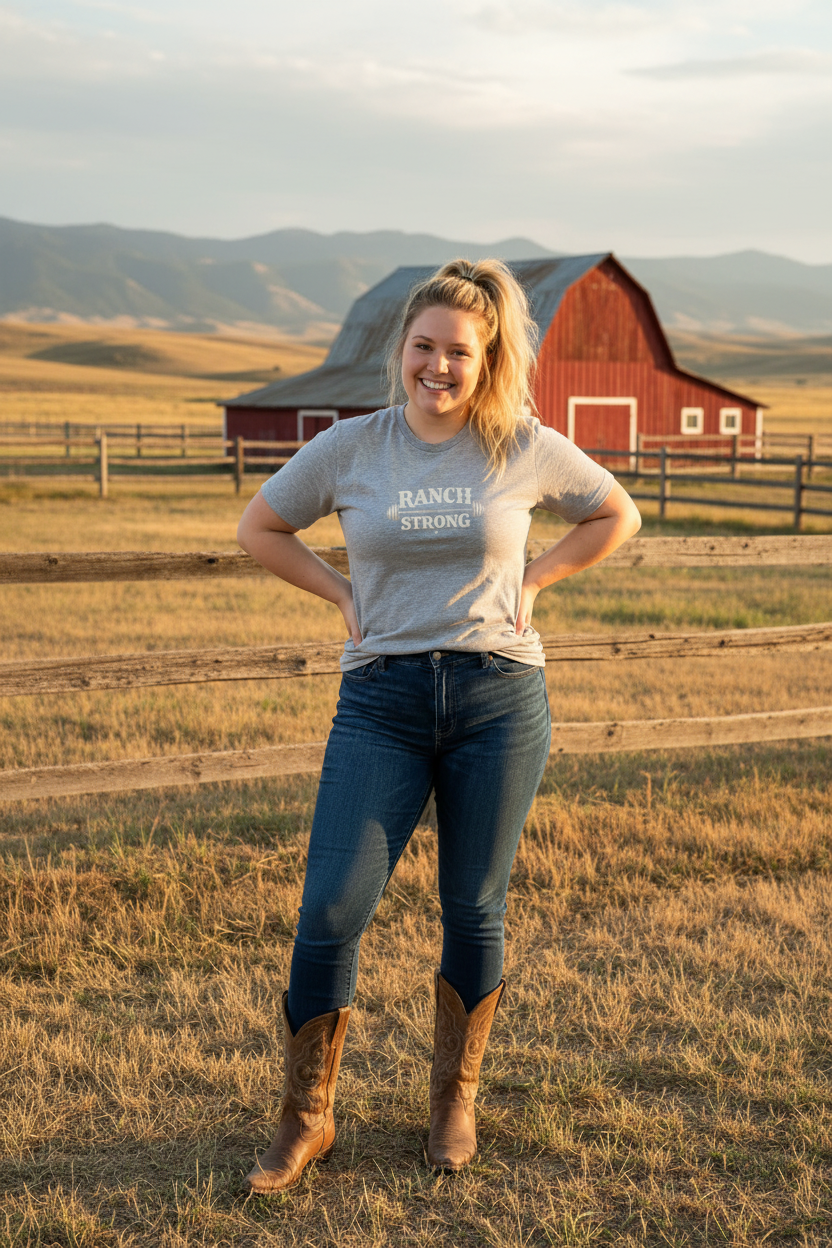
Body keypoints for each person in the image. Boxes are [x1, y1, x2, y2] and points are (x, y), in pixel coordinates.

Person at [236, 258, 641, 1192]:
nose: (439, 366)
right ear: (402, 349)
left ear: (486, 359)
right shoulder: (352, 447)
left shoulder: (522, 445)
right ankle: (305, 1116)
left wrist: (535, 579)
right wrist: (342, 594)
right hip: (381, 701)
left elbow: (614, 513)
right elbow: (260, 528)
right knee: (330, 909)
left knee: (474, 906)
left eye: (460, 351)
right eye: (424, 346)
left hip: (500, 698)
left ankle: (454, 1100)